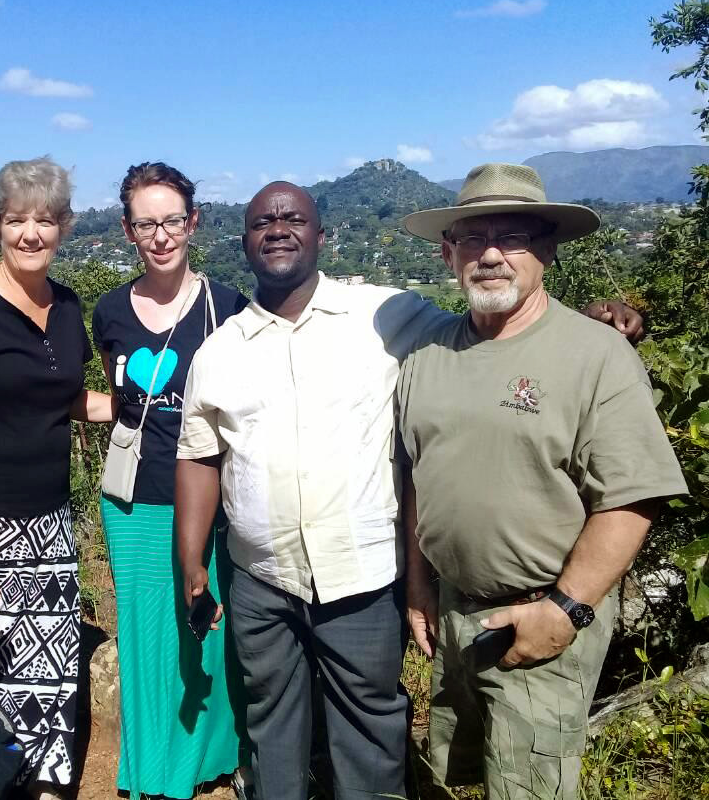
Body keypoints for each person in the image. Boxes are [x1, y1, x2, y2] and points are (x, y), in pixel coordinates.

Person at [174, 180, 646, 800]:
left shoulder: (387, 314)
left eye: (294, 218)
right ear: (243, 242)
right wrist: (192, 564)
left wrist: (587, 322)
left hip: (362, 577)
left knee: (370, 723)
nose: (279, 229)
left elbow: (496, 326)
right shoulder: (219, 351)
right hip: (263, 577)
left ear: (323, 234)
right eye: (263, 222)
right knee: (270, 717)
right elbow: (199, 456)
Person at [397, 163, 688, 799]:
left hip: (545, 611)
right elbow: (419, 477)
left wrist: (565, 608)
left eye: (514, 237)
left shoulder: (596, 354)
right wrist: (421, 587)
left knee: (531, 787)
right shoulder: (429, 355)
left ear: (547, 251)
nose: (492, 255)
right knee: (465, 771)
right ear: (450, 254)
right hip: (454, 608)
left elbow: (632, 496)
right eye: (474, 238)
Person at [0, 157, 116, 799]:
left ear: (63, 226)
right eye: (16, 220)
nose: (30, 233)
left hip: (52, 524)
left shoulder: (67, 308)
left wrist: (154, 403)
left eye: (43, 219)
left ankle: (43, 789)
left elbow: (64, 401)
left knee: (54, 675)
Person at [91, 162, 249, 799]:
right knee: (144, 635)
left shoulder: (229, 308)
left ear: (194, 223)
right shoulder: (109, 311)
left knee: (205, 631)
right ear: (128, 230)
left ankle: (205, 761)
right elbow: (118, 398)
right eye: (145, 224)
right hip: (132, 499)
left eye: (172, 221)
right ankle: (149, 767)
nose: (160, 236)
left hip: (207, 497)